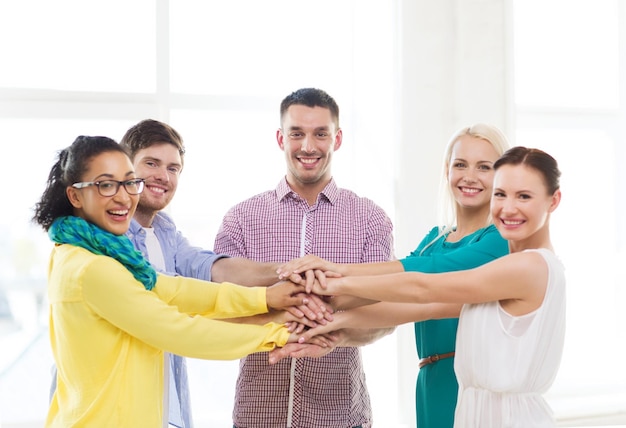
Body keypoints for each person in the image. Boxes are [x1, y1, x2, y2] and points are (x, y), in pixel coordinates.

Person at [32, 135, 312, 427]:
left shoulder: (86, 252)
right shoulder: (93, 268)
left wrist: (265, 299)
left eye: (129, 182)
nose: (123, 196)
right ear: (75, 196)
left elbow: (170, 289)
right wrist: (279, 333)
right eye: (106, 184)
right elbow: (178, 331)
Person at [298, 146, 566, 427]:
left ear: (553, 200)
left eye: (524, 196)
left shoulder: (530, 267)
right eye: (500, 194)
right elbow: (425, 307)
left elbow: (422, 287)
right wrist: (329, 327)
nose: (508, 207)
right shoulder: (511, 272)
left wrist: (333, 281)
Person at [275, 123, 511, 428]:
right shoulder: (434, 240)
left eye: (484, 167)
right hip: (430, 379)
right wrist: (328, 317)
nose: (469, 176)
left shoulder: (498, 240)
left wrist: (336, 274)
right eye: (460, 164)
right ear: (447, 170)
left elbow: (421, 281)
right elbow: (396, 298)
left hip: (471, 383)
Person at [119, 119, 330, 428]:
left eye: (173, 168)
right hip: (120, 409)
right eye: (151, 163)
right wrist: (275, 309)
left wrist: (288, 271)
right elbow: (173, 309)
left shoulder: (165, 232)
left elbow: (214, 268)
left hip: (163, 410)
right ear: (126, 168)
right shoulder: (110, 241)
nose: (163, 176)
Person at [213, 87, 395, 428]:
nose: (308, 146)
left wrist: (331, 330)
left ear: (337, 139)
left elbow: (384, 316)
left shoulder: (371, 219)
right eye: (297, 133)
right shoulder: (241, 218)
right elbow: (220, 308)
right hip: (257, 416)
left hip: (340, 417)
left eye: (320, 134)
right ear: (281, 138)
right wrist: (285, 307)